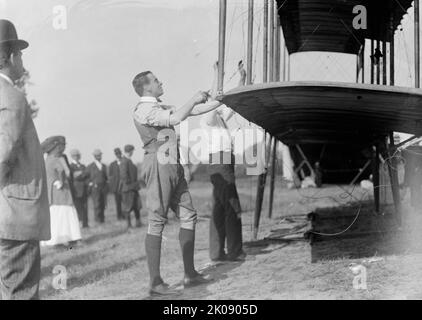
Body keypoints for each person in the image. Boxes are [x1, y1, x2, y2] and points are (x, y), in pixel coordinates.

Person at [132, 70, 222, 296]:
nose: (161, 82)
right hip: (158, 164)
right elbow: (175, 119)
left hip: (172, 163)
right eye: (155, 80)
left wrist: (220, 98)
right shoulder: (144, 109)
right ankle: (155, 282)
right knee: (157, 218)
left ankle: (189, 274)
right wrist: (193, 98)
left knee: (188, 215)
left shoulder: (160, 106)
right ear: (146, 88)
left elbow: (196, 109)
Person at [0, 19, 50, 300]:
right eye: (19, 53)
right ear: (9, 57)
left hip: (8, 212)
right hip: (16, 214)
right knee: (22, 293)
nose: (22, 60)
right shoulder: (11, 96)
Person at [202, 61, 244, 262]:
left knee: (219, 208)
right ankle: (235, 251)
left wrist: (241, 78)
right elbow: (215, 98)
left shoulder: (219, 118)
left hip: (222, 161)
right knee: (231, 205)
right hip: (220, 161)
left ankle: (216, 252)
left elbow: (231, 106)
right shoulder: (207, 118)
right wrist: (217, 74)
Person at [41, 136, 82, 247]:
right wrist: (61, 181)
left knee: (58, 214)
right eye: (62, 146)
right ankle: (65, 238)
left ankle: (59, 239)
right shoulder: (55, 159)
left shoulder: (48, 159)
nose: (63, 148)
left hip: (54, 192)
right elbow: (62, 172)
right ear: (57, 147)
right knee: (64, 213)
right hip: (60, 192)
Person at [120, 145, 142, 229]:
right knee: (128, 207)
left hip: (133, 188)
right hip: (128, 189)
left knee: (136, 206)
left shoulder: (129, 160)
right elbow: (124, 176)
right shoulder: (124, 161)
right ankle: (129, 225)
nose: (133, 152)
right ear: (129, 151)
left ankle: (138, 222)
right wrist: (131, 184)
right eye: (132, 151)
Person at [86, 149, 108, 224]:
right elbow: (85, 176)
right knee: (97, 203)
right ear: (95, 156)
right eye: (98, 155)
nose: (99, 157)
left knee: (103, 203)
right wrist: (90, 183)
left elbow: (106, 177)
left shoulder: (103, 166)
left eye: (100, 155)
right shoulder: (90, 166)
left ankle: (102, 219)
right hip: (95, 188)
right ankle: (97, 219)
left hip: (103, 187)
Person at [69, 149, 90, 228]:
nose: (77, 157)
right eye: (75, 156)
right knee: (78, 207)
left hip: (84, 189)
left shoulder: (82, 166)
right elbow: (74, 176)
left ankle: (85, 223)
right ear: (72, 157)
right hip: (76, 190)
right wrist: (82, 173)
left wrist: (80, 174)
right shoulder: (71, 166)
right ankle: (79, 223)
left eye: (78, 155)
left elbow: (87, 174)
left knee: (85, 207)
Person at [109, 148, 124, 221]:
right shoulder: (112, 164)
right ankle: (119, 216)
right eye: (116, 154)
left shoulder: (125, 162)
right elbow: (110, 176)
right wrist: (113, 187)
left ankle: (125, 216)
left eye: (119, 153)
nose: (118, 155)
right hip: (116, 187)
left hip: (124, 186)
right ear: (115, 155)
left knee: (124, 202)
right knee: (118, 202)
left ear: (121, 153)